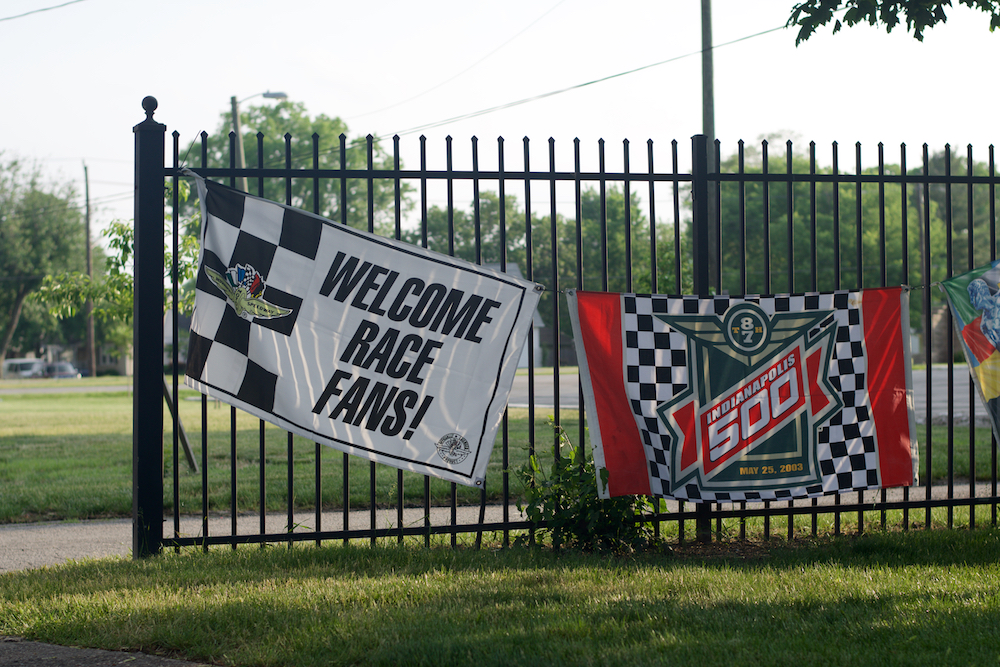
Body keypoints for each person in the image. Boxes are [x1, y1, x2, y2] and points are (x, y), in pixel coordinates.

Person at [969, 278, 1000, 350]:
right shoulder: (984, 325)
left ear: (980, 293)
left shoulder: (998, 300)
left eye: (972, 295)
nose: (971, 301)